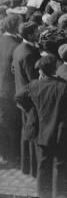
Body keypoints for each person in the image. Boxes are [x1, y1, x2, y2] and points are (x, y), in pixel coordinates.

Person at [15, 54, 67, 198]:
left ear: (41, 71)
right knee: (59, 165)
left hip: (40, 133)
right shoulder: (64, 86)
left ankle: (42, 194)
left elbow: (19, 96)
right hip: (59, 133)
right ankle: (58, 194)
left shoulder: (33, 85)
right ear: (55, 69)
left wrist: (31, 111)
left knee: (43, 165)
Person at [13, 20, 39, 176]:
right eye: (36, 31)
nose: (38, 34)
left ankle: (26, 166)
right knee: (33, 132)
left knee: (27, 131)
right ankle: (34, 168)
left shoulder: (20, 48)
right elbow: (33, 80)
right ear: (30, 34)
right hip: (30, 99)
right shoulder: (29, 53)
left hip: (21, 95)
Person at [0, 14, 21, 167]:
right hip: (10, 90)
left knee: (4, 122)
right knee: (13, 123)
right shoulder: (15, 45)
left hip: (1, 89)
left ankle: (5, 153)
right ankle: (13, 155)